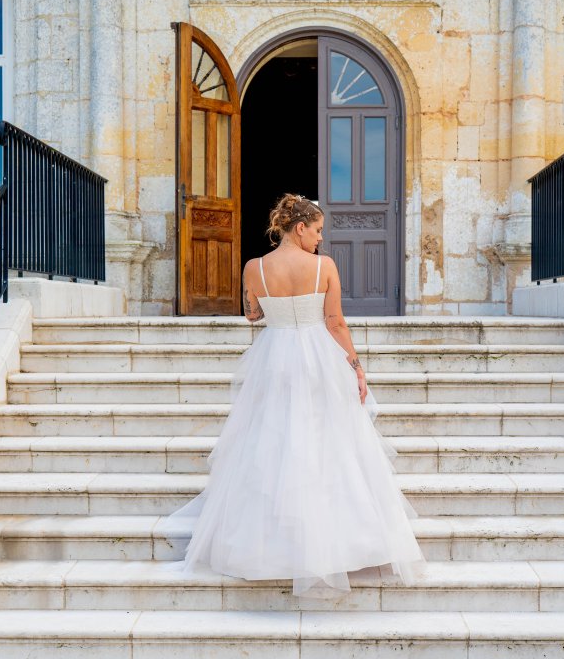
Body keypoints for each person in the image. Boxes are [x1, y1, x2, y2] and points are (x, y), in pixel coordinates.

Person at [164, 193, 427, 598]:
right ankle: (340, 539)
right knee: (326, 439)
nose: (321, 239)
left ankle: (269, 540)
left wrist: (266, 304)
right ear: (300, 227)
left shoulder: (254, 267)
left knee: (272, 438)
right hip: (317, 357)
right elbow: (335, 321)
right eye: (318, 230)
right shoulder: (324, 267)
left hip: (274, 356)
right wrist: (356, 367)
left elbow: (253, 315)